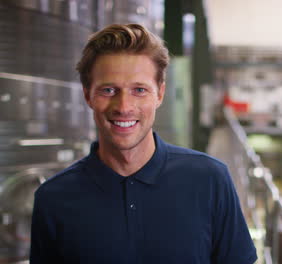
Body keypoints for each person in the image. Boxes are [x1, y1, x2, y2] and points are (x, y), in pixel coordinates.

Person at [30, 23, 257, 264]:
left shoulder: (211, 180)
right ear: (88, 95)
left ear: (159, 94)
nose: (124, 107)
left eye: (139, 90)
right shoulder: (53, 199)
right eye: (108, 90)